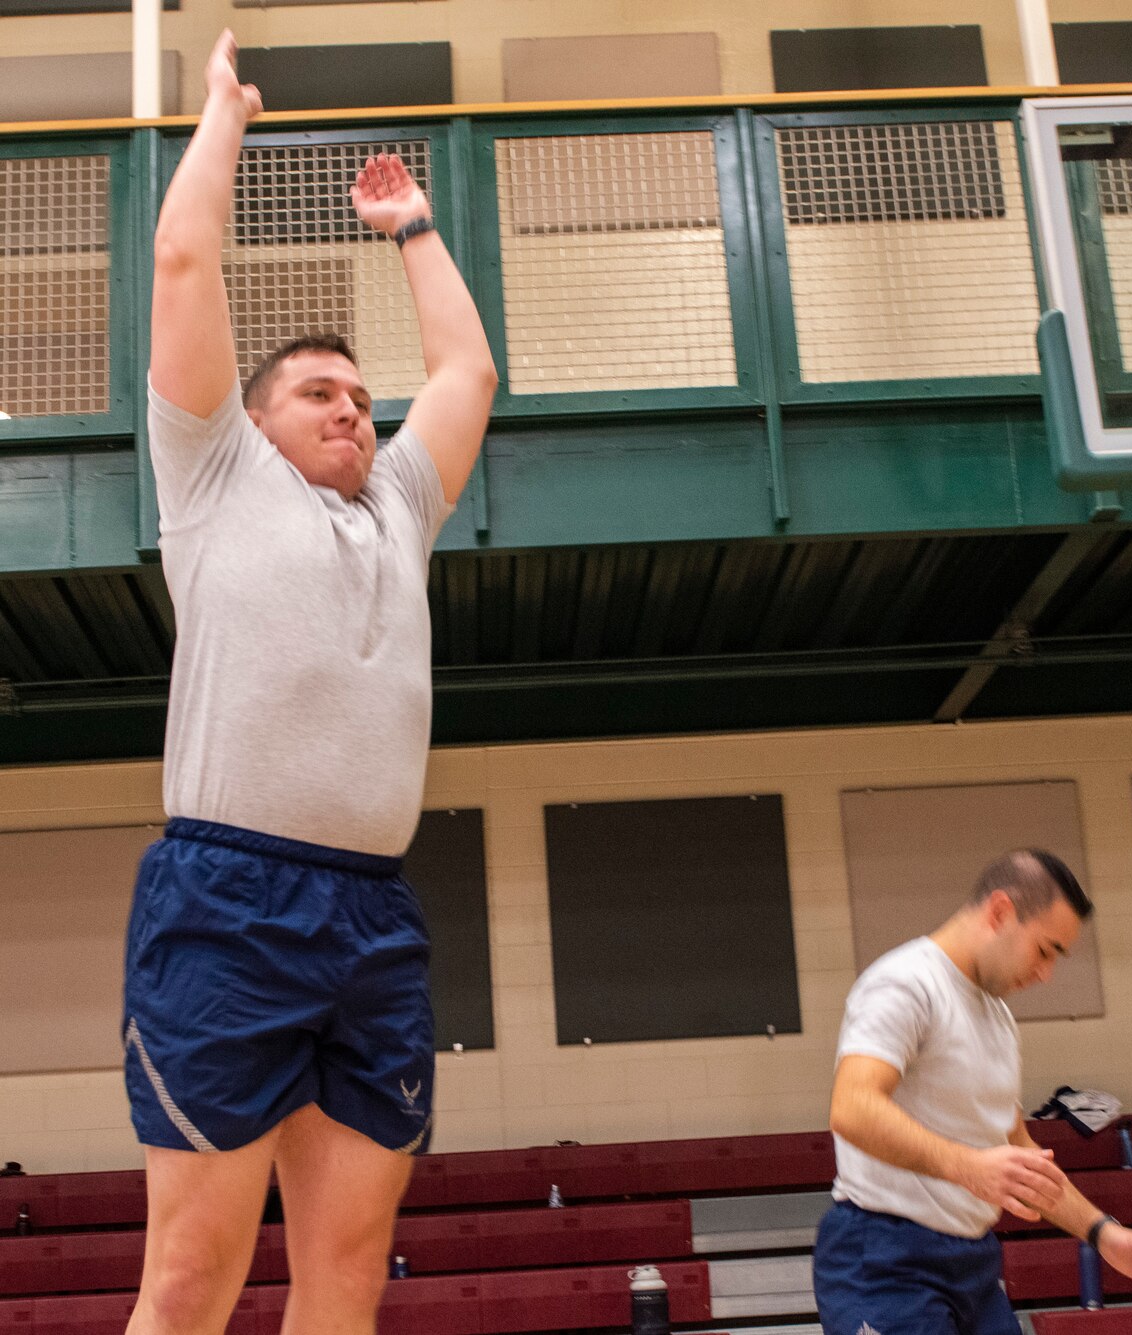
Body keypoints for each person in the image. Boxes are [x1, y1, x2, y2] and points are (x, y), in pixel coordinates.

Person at [123, 28, 496, 1335]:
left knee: (345, 1272)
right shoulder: (216, 474)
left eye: (360, 395)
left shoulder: (397, 504)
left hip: (371, 918)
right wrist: (222, 116)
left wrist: (413, 229)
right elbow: (181, 259)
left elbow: (468, 374)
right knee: (188, 1276)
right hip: (226, 901)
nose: (353, 409)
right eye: (321, 394)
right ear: (258, 416)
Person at [814, 849, 1132, 1334]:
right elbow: (852, 1108)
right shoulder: (905, 983)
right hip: (885, 1260)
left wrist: (1103, 1233)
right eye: (1045, 950)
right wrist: (967, 1167)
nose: (1046, 974)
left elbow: (1017, 1149)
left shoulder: (998, 1017)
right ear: (1001, 912)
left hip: (972, 1262)